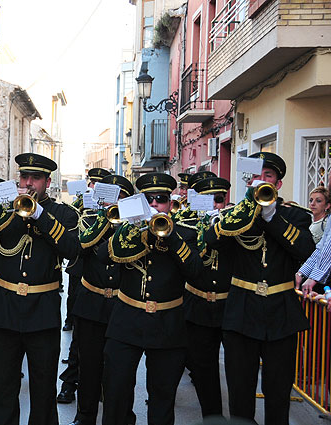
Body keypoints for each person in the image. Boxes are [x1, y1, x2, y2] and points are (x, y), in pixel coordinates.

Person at [204, 152, 314, 424]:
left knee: (278, 393)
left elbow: (305, 250)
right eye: (257, 176)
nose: (261, 181)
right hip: (241, 312)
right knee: (240, 393)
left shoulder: (296, 217)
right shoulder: (234, 217)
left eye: (268, 176)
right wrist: (244, 213)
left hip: (281, 314)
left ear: (277, 184)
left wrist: (271, 215)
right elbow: (211, 241)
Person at [0, 153, 80, 425]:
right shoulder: (5, 210)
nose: (28, 183)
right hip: (4, 308)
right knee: (3, 386)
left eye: (35, 178)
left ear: (47, 181)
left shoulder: (62, 213)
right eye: (24, 177)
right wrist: (1, 212)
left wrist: (39, 215)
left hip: (42, 310)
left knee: (43, 387)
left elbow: (71, 249)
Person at [99, 172, 202, 425]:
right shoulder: (128, 230)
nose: (155, 205)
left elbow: (196, 273)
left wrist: (171, 235)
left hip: (168, 323)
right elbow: (103, 256)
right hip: (127, 320)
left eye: (161, 199)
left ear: (170, 204)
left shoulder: (186, 234)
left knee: (163, 396)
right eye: (149, 200)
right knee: (116, 391)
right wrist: (133, 228)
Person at [68, 174, 134, 425]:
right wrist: (106, 221)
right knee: (89, 365)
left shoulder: (135, 228)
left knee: (121, 370)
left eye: (121, 198)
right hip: (91, 302)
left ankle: (120, 417)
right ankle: (85, 415)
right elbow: (81, 247)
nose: (113, 202)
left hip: (123, 305)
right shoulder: (87, 220)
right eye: (109, 197)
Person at [180, 176, 232, 418]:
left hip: (231, 305)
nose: (215, 205)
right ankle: (212, 416)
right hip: (198, 304)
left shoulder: (234, 225)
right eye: (207, 201)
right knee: (203, 367)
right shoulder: (186, 227)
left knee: (237, 368)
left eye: (219, 200)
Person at [57, 168, 109, 405]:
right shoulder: (85, 216)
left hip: (117, 295)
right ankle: (69, 385)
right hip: (87, 284)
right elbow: (78, 243)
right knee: (80, 342)